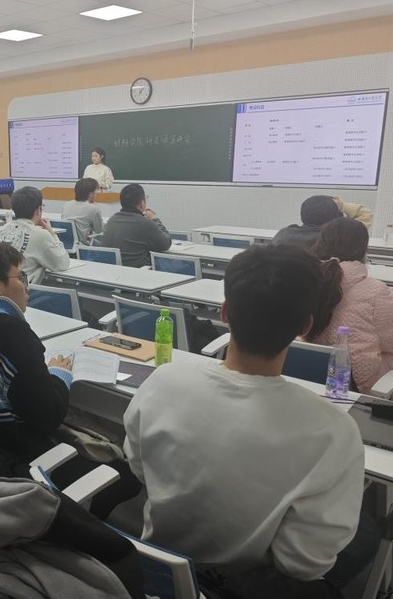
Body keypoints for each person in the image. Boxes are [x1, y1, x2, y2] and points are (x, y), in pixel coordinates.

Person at [124, 244, 368, 585]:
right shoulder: (334, 431)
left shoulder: (162, 381)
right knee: (370, 530)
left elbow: (138, 466)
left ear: (224, 313)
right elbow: (303, 565)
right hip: (243, 585)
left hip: (156, 571)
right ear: (305, 326)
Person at [0, 241, 139, 518]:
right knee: (127, 476)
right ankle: (73, 527)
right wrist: (60, 373)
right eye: (21, 277)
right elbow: (49, 417)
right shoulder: (13, 334)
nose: (27, 286)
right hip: (12, 466)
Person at [306, 218, 393, 393]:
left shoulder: (303, 283)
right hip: (354, 387)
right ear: (363, 250)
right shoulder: (373, 291)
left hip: (306, 383)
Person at [0, 186, 69, 284]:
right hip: (22, 289)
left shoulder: (5, 228)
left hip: (1, 286)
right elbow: (62, 264)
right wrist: (52, 233)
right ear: (38, 210)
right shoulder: (41, 234)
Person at [102, 183, 171, 267]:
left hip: (112, 271)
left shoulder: (111, 220)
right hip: (138, 272)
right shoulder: (145, 223)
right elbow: (166, 243)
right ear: (142, 203)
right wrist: (154, 219)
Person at [272, 195, 374, 250]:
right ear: (336, 220)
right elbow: (366, 214)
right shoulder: (340, 239)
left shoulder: (284, 235)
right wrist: (342, 206)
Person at [61, 177, 104, 245]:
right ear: (90, 194)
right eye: (96, 192)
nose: (97, 194)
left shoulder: (66, 204)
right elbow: (99, 230)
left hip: (67, 244)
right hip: (84, 245)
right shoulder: (93, 208)